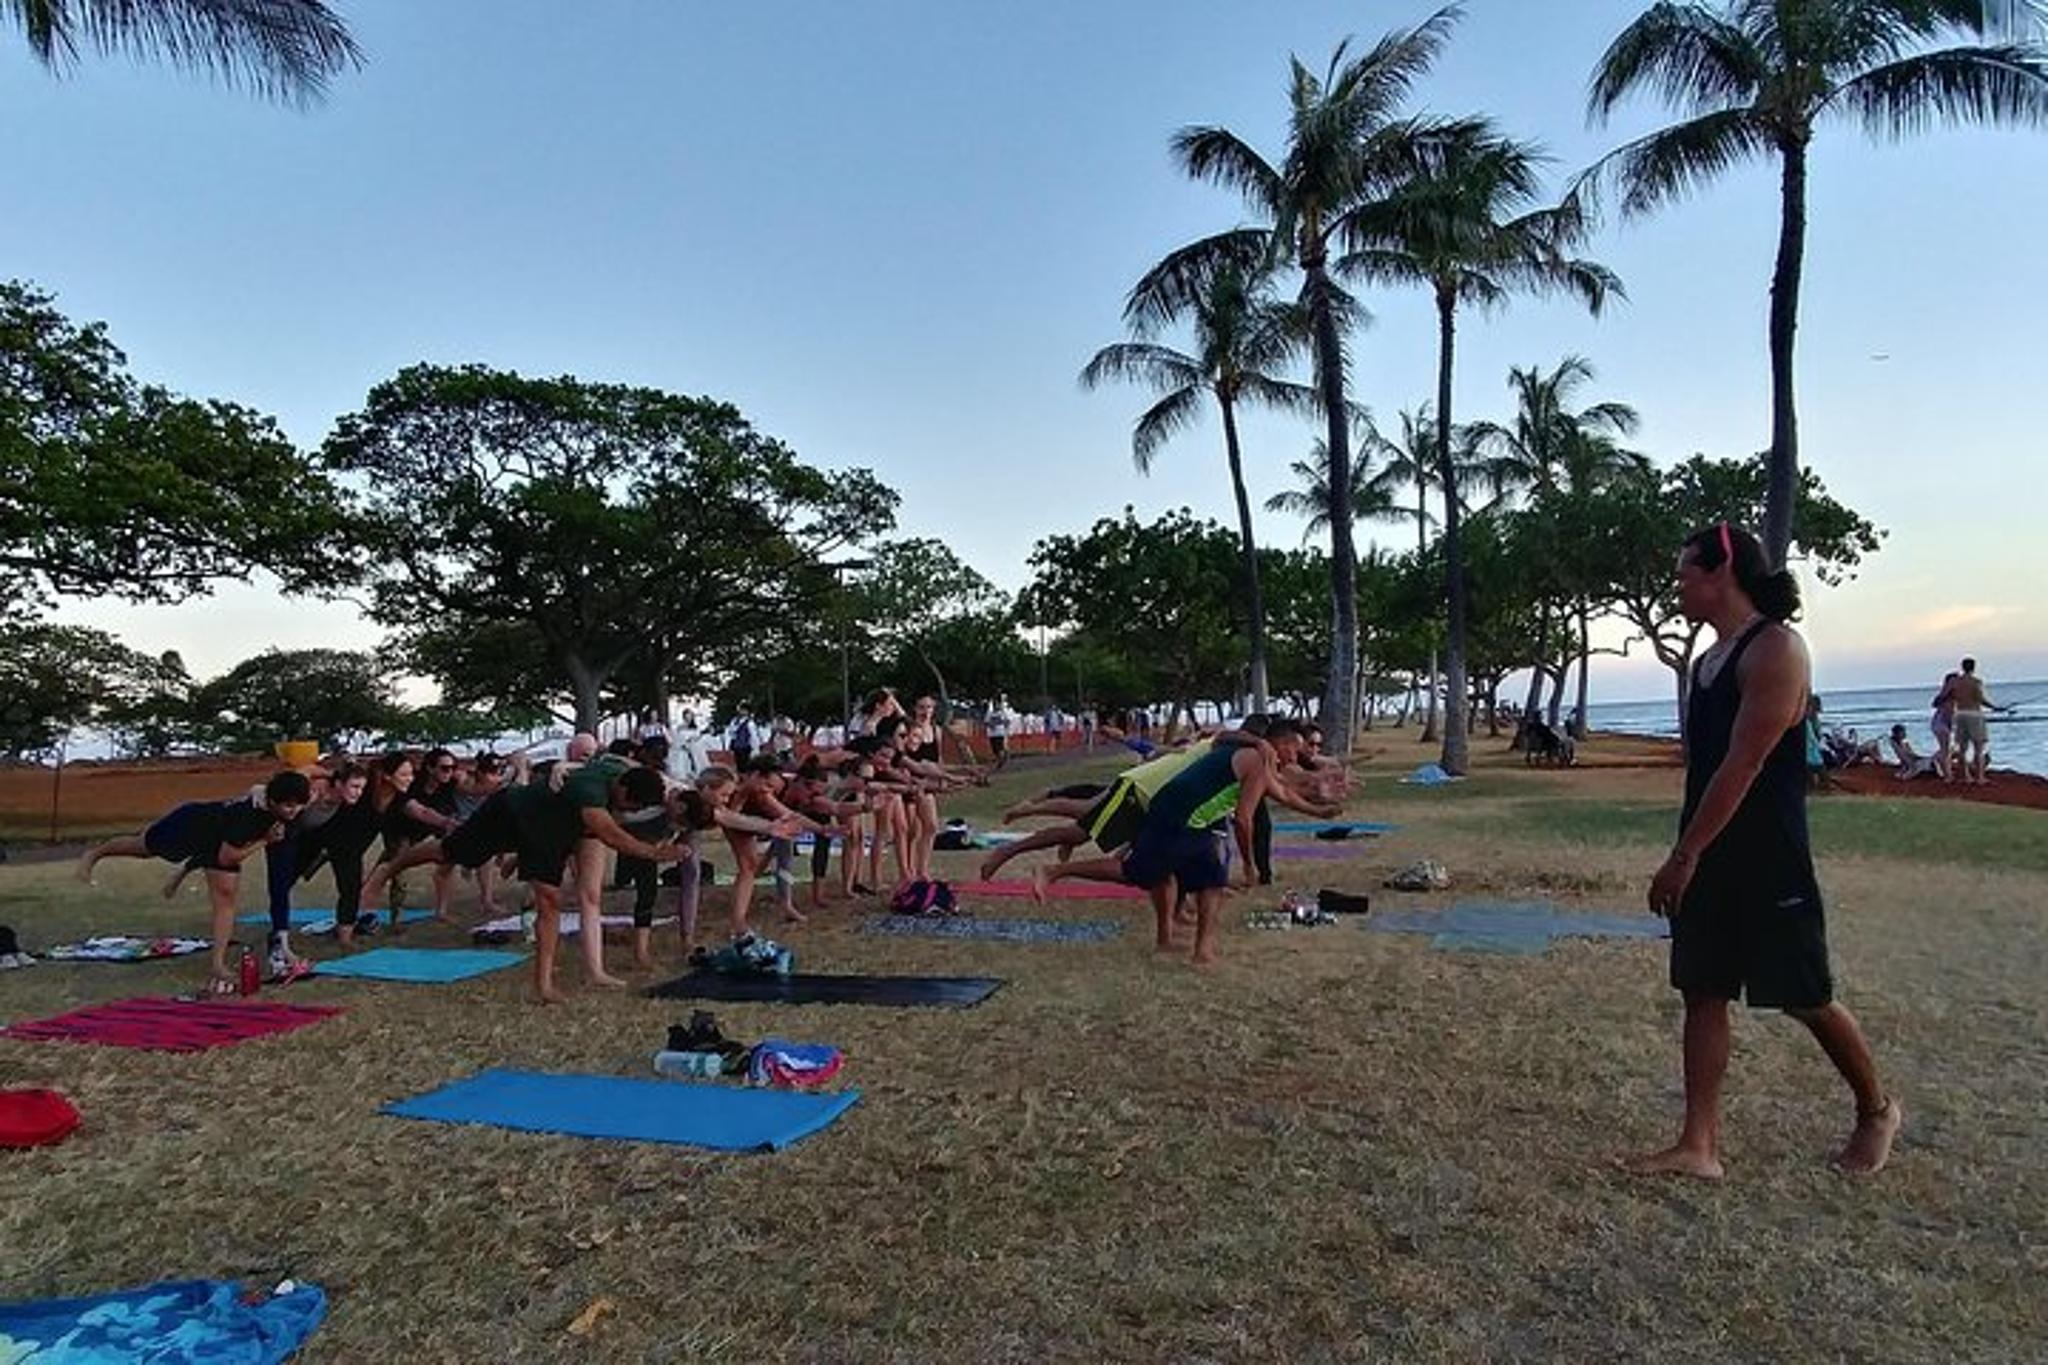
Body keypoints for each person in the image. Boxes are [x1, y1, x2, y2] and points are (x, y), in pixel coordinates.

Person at [1630, 522, 1898, 1181]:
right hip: (1708, 846)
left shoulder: (1776, 649)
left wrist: (1684, 854)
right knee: (1703, 987)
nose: (1678, 587)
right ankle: (1699, 1145)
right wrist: (1692, 847)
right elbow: (1704, 768)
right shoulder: (1706, 661)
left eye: (1685, 574)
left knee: (1804, 993)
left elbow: (1743, 765)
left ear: (1722, 572)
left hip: (1767, 852)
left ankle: (1877, 1108)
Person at [365, 761, 685, 1003]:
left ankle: (543, 986)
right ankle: (390, 868)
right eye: (632, 805)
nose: (631, 811)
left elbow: (603, 765)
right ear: (622, 790)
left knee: (550, 903)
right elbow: (611, 836)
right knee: (451, 853)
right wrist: (655, 854)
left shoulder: (618, 770)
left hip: (547, 834)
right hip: (509, 811)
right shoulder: (590, 792)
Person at [77, 772, 312, 993]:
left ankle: (218, 964)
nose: (294, 811)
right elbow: (228, 856)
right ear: (272, 801)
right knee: (143, 848)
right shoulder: (248, 817)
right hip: (189, 825)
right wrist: (265, 840)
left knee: (226, 897)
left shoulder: (286, 808)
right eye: (289, 805)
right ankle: (97, 853)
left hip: (219, 840)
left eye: (299, 805)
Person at [1944, 658, 2005, 787]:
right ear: (1973, 667)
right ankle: (1980, 777)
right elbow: (1980, 699)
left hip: (1960, 714)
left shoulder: (1956, 683)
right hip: (1974, 715)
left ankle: (1967, 777)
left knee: (1962, 749)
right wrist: (1995, 707)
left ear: (1962, 667)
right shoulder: (1976, 682)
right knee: (1978, 749)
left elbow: (1949, 696)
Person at [1929, 672, 1958, 781]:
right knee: (1946, 750)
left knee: (1947, 749)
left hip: (1938, 722)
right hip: (1942, 723)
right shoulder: (1949, 697)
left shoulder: (1945, 696)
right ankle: (1948, 775)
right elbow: (1948, 714)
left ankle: (1946, 771)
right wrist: (1951, 726)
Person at [985, 694, 1013, 769]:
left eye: (997, 704)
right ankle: (1002, 758)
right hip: (992, 734)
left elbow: (1008, 721)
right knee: (995, 749)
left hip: (1000, 733)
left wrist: (1002, 723)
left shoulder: (1003, 713)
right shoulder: (989, 713)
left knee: (1000, 748)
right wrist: (991, 724)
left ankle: (1001, 761)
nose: (996, 706)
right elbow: (986, 722)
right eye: (994, 704)